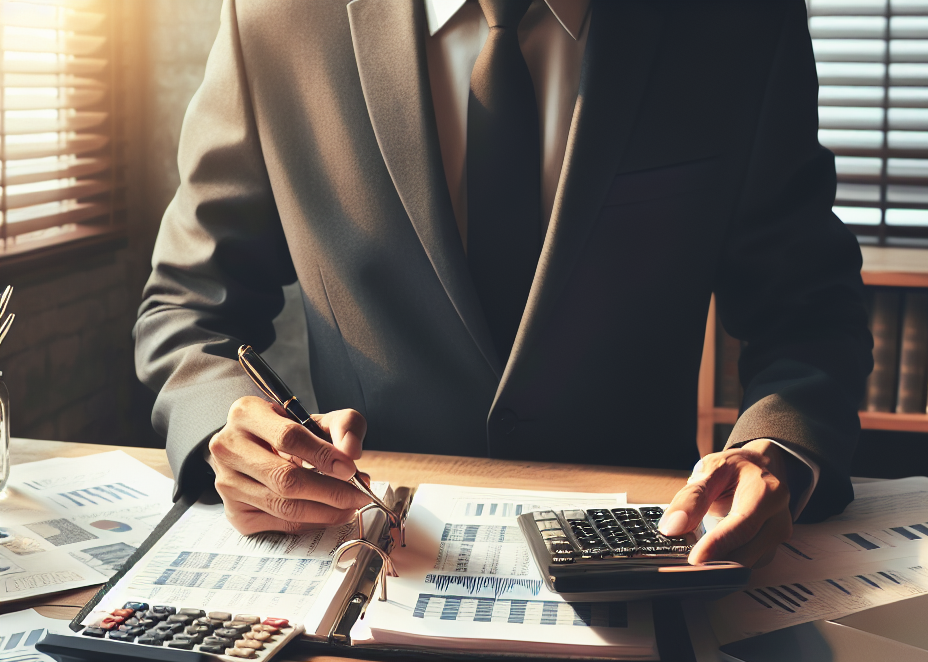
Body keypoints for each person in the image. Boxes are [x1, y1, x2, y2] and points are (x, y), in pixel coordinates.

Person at [135, 0, 872, 567]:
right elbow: (189, 302)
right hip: (367, 557)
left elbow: (806, 305)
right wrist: (221, 432)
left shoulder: (738, 23)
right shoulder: (276, 18)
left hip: (646, 564)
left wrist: (781, 448)